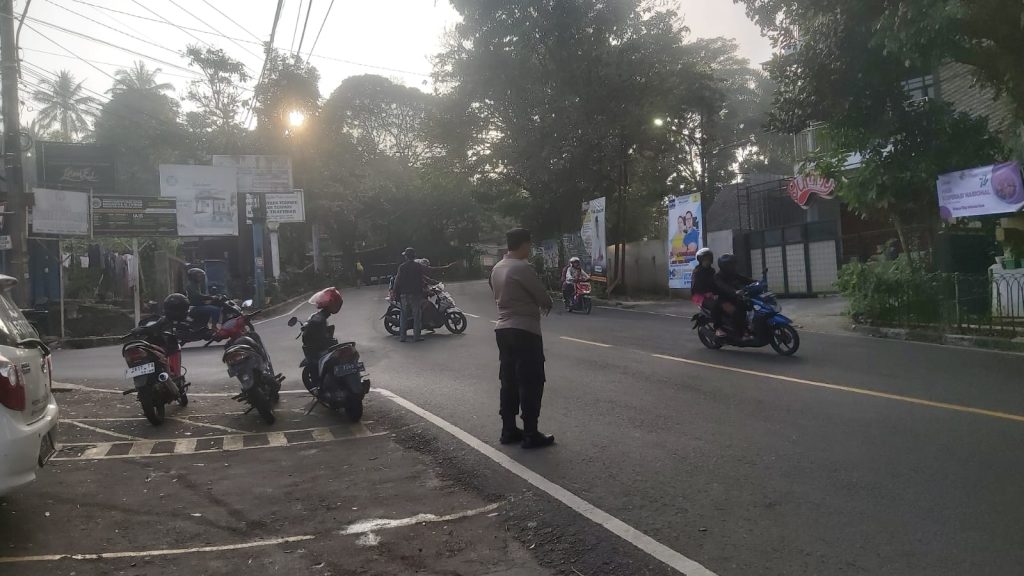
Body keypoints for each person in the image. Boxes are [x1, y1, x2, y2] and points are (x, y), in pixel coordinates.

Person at [490, 228, 555, 449]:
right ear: (525, 244)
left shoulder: (497, 267)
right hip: (524, 330)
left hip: (503, 329)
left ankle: (508, 429)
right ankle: (530, 432)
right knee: (531, 381)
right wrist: (546, 303)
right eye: (530, 245)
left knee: (509, 380)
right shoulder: (522, 267)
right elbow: (542, 297)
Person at [394, 248, 454, 342]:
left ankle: (402, 337)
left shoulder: (402, 267)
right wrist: (446, 267)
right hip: (415, 295)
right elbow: (429, 272)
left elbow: (397, 281)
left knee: (403, 316)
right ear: (414, 256)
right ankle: (416, 336)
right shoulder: (418, 266)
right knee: (417, 315)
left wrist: (395, 292)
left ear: (406, 257)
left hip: (404, 295)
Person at [302, 287, 344, 388]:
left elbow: (311, 339)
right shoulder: (320, 319)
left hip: (322, 350)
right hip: (326, 347)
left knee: (313, 361)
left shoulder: (317, 319)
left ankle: (319, 385)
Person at [714, 254, 755, 339]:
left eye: (733, 264)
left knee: (751, 307)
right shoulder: (718, 277)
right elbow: (724, 287)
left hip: (736, 298)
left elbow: (745, 279)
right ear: (724, 266)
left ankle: (751, 327)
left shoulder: (733, 274)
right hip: (724, 300)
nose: (733, 266)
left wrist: (757, 282)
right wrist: (734, 291)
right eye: (730, 264)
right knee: (737, 312)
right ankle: (741, 333)